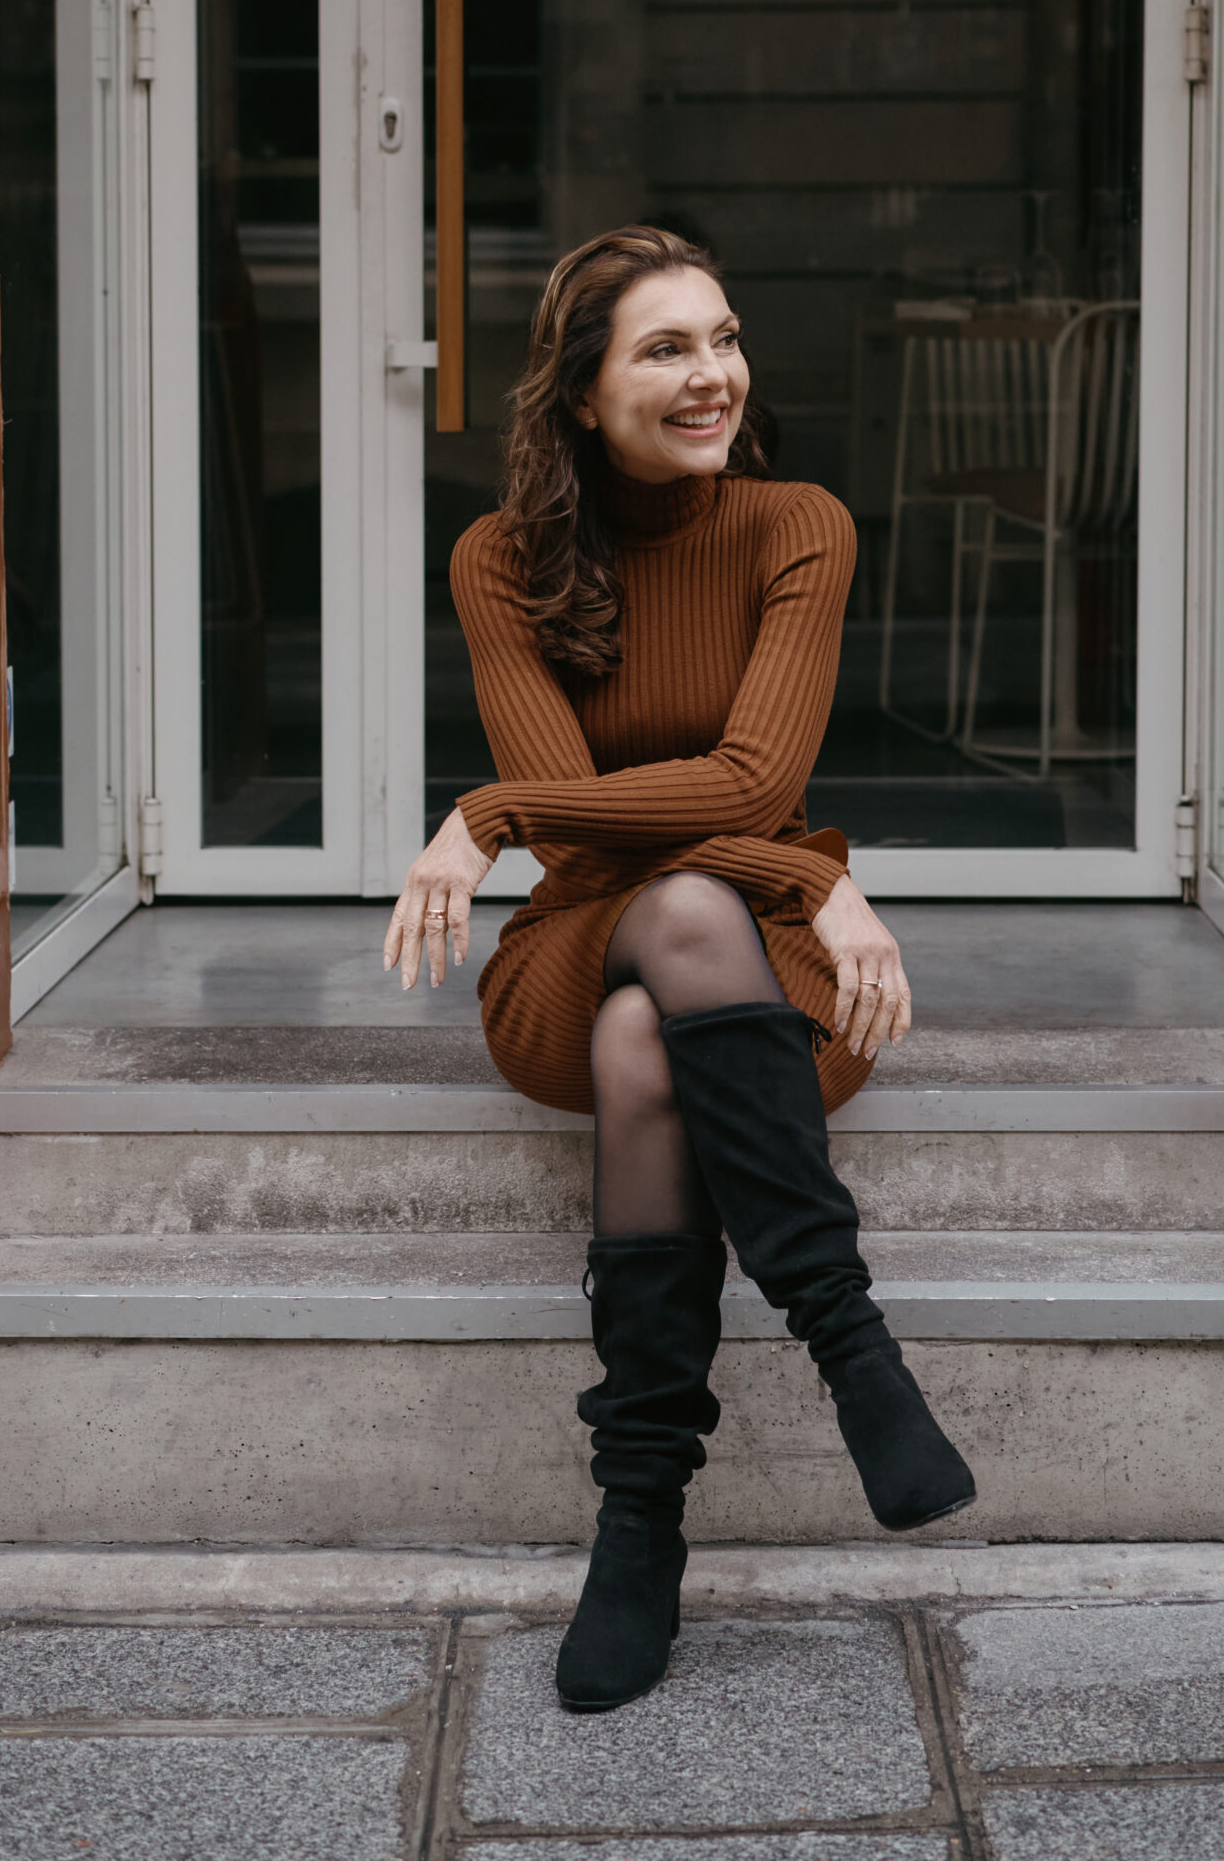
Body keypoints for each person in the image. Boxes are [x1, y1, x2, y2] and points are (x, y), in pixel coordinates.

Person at [384, 226, 973, 1712]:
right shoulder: (499, 561)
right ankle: (855, 1354)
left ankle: (637, 1521)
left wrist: (497, 814)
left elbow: (751, 773)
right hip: (579, 950)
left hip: (753, 969)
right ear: (582, 393)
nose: (711, 376)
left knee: (660, 1030)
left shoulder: (799, 525)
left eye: (722, 338)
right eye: (665, 349)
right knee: (678, 924)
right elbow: (624, 850)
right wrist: (813, 875)